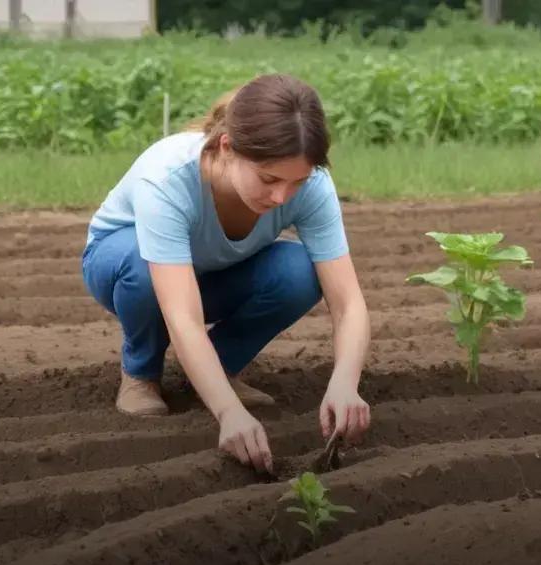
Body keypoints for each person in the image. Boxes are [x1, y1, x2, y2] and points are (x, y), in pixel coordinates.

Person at [81, 73, 371, 474]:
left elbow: (348, 303)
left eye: (296, 182)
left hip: (215, 273)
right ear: (227, 147)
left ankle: (219, 367)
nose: (281, 197)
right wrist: (229, 414)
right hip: (123, 266)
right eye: (268, 179)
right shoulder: (167, 178)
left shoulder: (312, 186)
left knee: (302, 272)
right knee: (144, 270)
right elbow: (182, 317)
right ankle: (140, 373)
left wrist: (344, 383)